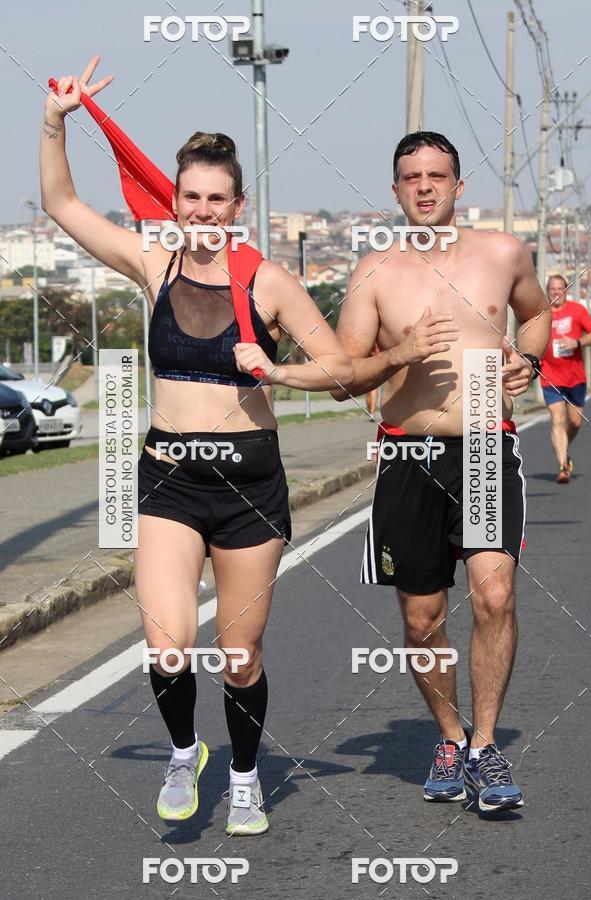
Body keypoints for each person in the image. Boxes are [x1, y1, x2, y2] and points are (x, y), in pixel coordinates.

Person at [41, 57, 353, 834]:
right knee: (169, 646)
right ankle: (187, 751)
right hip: (170, 480)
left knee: (239, 655)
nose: (204, 210)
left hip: (250, 489)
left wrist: (276, 371)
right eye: (191, 196)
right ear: (173, 202)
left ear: (237, 205)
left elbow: (341, 370)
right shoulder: (155, 264)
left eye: (218, 198)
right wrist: (57, 122)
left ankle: (244, 775)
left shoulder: (270, 282)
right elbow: (61, 203)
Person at [332, 132, 551, 812]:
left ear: (459, 186)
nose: (424, 186)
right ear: (395, 191)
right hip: (406, 453)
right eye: (411, 177)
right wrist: (397, 352)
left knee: (493, 597)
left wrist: (530, 362)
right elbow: (343, 376)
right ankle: (450, 735)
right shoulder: (374, 272)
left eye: (437, 175)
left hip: (486, 443)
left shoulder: (502, 253)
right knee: (425, 619)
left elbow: (537, 315)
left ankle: (485, 747)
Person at [539, 274, 591, 483]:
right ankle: (563, 466)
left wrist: (577, 343)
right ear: (547, 290)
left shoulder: (577, 310)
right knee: (557, 419)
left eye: (560, 288)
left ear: (565, 291)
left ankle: (563, 445)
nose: (556, 292)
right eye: (552, 288)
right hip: (550, 375)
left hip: (575, 376)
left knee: (574, 422)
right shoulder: (540, 313)